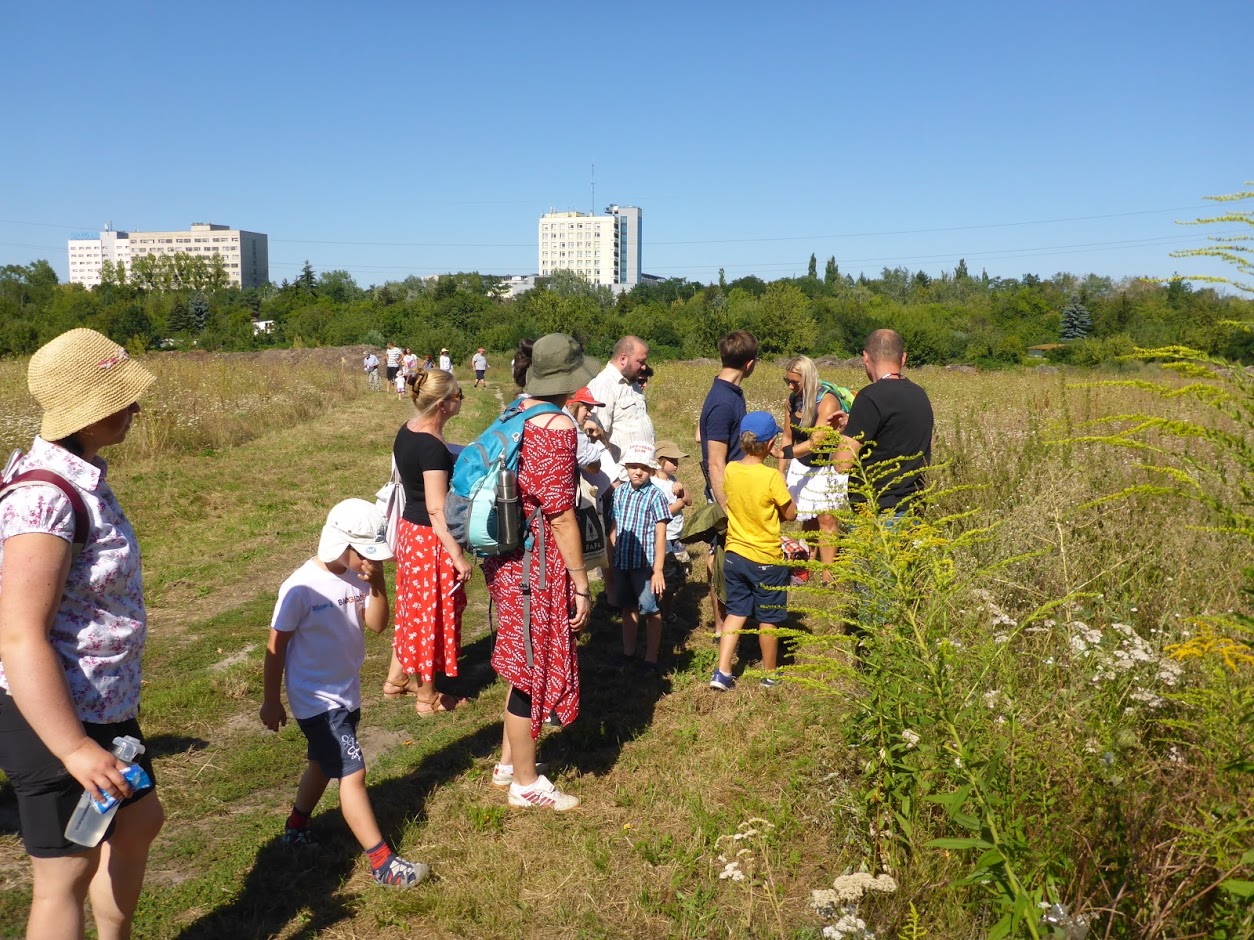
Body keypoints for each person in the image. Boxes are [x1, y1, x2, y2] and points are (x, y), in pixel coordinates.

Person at [0, 328, 164, 939]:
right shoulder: (43, 498)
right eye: (120, 400)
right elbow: (18, 636)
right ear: (85, 412)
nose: (135, 409)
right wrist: (72, 749)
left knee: (139, 821)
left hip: (101, 702)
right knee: (65, 873)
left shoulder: (82, 472)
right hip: (51, 713)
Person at [261, 499, 429, 887]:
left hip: (346, 693)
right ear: (339, 544)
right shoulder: (300, 588)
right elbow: (276, 647)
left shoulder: (360, 577)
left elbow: (377, 625)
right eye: (366, 554)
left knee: (323, 763)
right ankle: (383, 864)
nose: (372, 562)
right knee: (353, 772)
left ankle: (296, 826)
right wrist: (271, 699)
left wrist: (378, 584)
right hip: (315, 701)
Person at [483, 333, 594, 811]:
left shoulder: (517, 411)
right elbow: (562, 514)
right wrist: (582, 582)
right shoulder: (556, 425)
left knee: (521, 656)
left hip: (509, 558)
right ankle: (525, 785)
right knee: (530, 668)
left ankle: (510, 762)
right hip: (537, 564)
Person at [384, 368, 471, 715]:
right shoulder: (433, 449)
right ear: (443, 404)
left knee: (412, 607)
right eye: (458, 395)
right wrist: (458, 555)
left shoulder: (408, 430)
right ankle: (427, 696)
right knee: (431, 612)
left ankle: (396, 679)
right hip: (429, 539)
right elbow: (437, 509)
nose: (461, 399)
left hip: (410, 532)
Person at [711, 412, 797, 691]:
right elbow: (791, 513)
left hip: (735, 554)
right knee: (768, 618)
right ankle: (770, 675)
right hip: (766, 559)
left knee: (736, 611)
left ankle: (722, 671)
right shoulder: (772, 476)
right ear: (770, 444)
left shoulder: (731, 470)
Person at [833, 329, 934, 516]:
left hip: (877, 511)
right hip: (914, 507)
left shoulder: (869, 397)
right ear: (903, 358)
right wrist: (854, 425)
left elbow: (842, 464)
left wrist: (839, 436)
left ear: (865, 357)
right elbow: (892, 434)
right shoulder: (920, 395)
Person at [697, 330, 759, 637]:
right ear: (750, 364)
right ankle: (723, 627)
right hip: (725, 493)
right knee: (718, 558)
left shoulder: (731, 392)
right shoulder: (723, 401)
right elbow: (715, 461)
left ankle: (734, 620)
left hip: (736, 487)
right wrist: (726, 509)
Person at [778, 355, 853, 579]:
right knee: (807, 515)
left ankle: (828, 573)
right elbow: (787, 436)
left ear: (808, 379)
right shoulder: (792, 400)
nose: (791, 386)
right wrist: (781, 470)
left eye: (795, 382)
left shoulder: (827, 401)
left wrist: (786, 454)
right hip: (801, 465)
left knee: (826, 518)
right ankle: (809, 562)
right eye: (787, 381)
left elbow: (817, 441)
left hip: (825, 465)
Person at [611, 442, 672, 674]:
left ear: (651, 469)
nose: (638, 471)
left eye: (644, 467)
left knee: (650, 609)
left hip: (644, 566)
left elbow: (660, 534)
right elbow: (614, 525)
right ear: (626, 467)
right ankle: (628, 652)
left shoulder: (655, 496)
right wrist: (613, 552)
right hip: (622, 562)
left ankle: (651, 658)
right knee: (628, 608)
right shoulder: (620, 492)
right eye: (633, 466)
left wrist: (657, 570)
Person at [587, 335, 654, 465]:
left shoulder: (632, 382)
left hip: (641, 474)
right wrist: (612, 481)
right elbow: (597, 437)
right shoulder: (604, 385)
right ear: (623, 358)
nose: (644, 367)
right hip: (621, 476)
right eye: (640, 362)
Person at [652, 440, 692, 624]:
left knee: (675, 577)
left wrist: (682, 491)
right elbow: (662, 511)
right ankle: (657, 612)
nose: (676, 465)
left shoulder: (674, 481)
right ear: (660, 461)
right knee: (665, 576)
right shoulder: (654, 484)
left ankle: (668, 611)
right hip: (663, 537)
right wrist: (679, 503)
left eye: (677, 461)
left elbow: (689, 500)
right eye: (672, 461)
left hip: (675, 535)